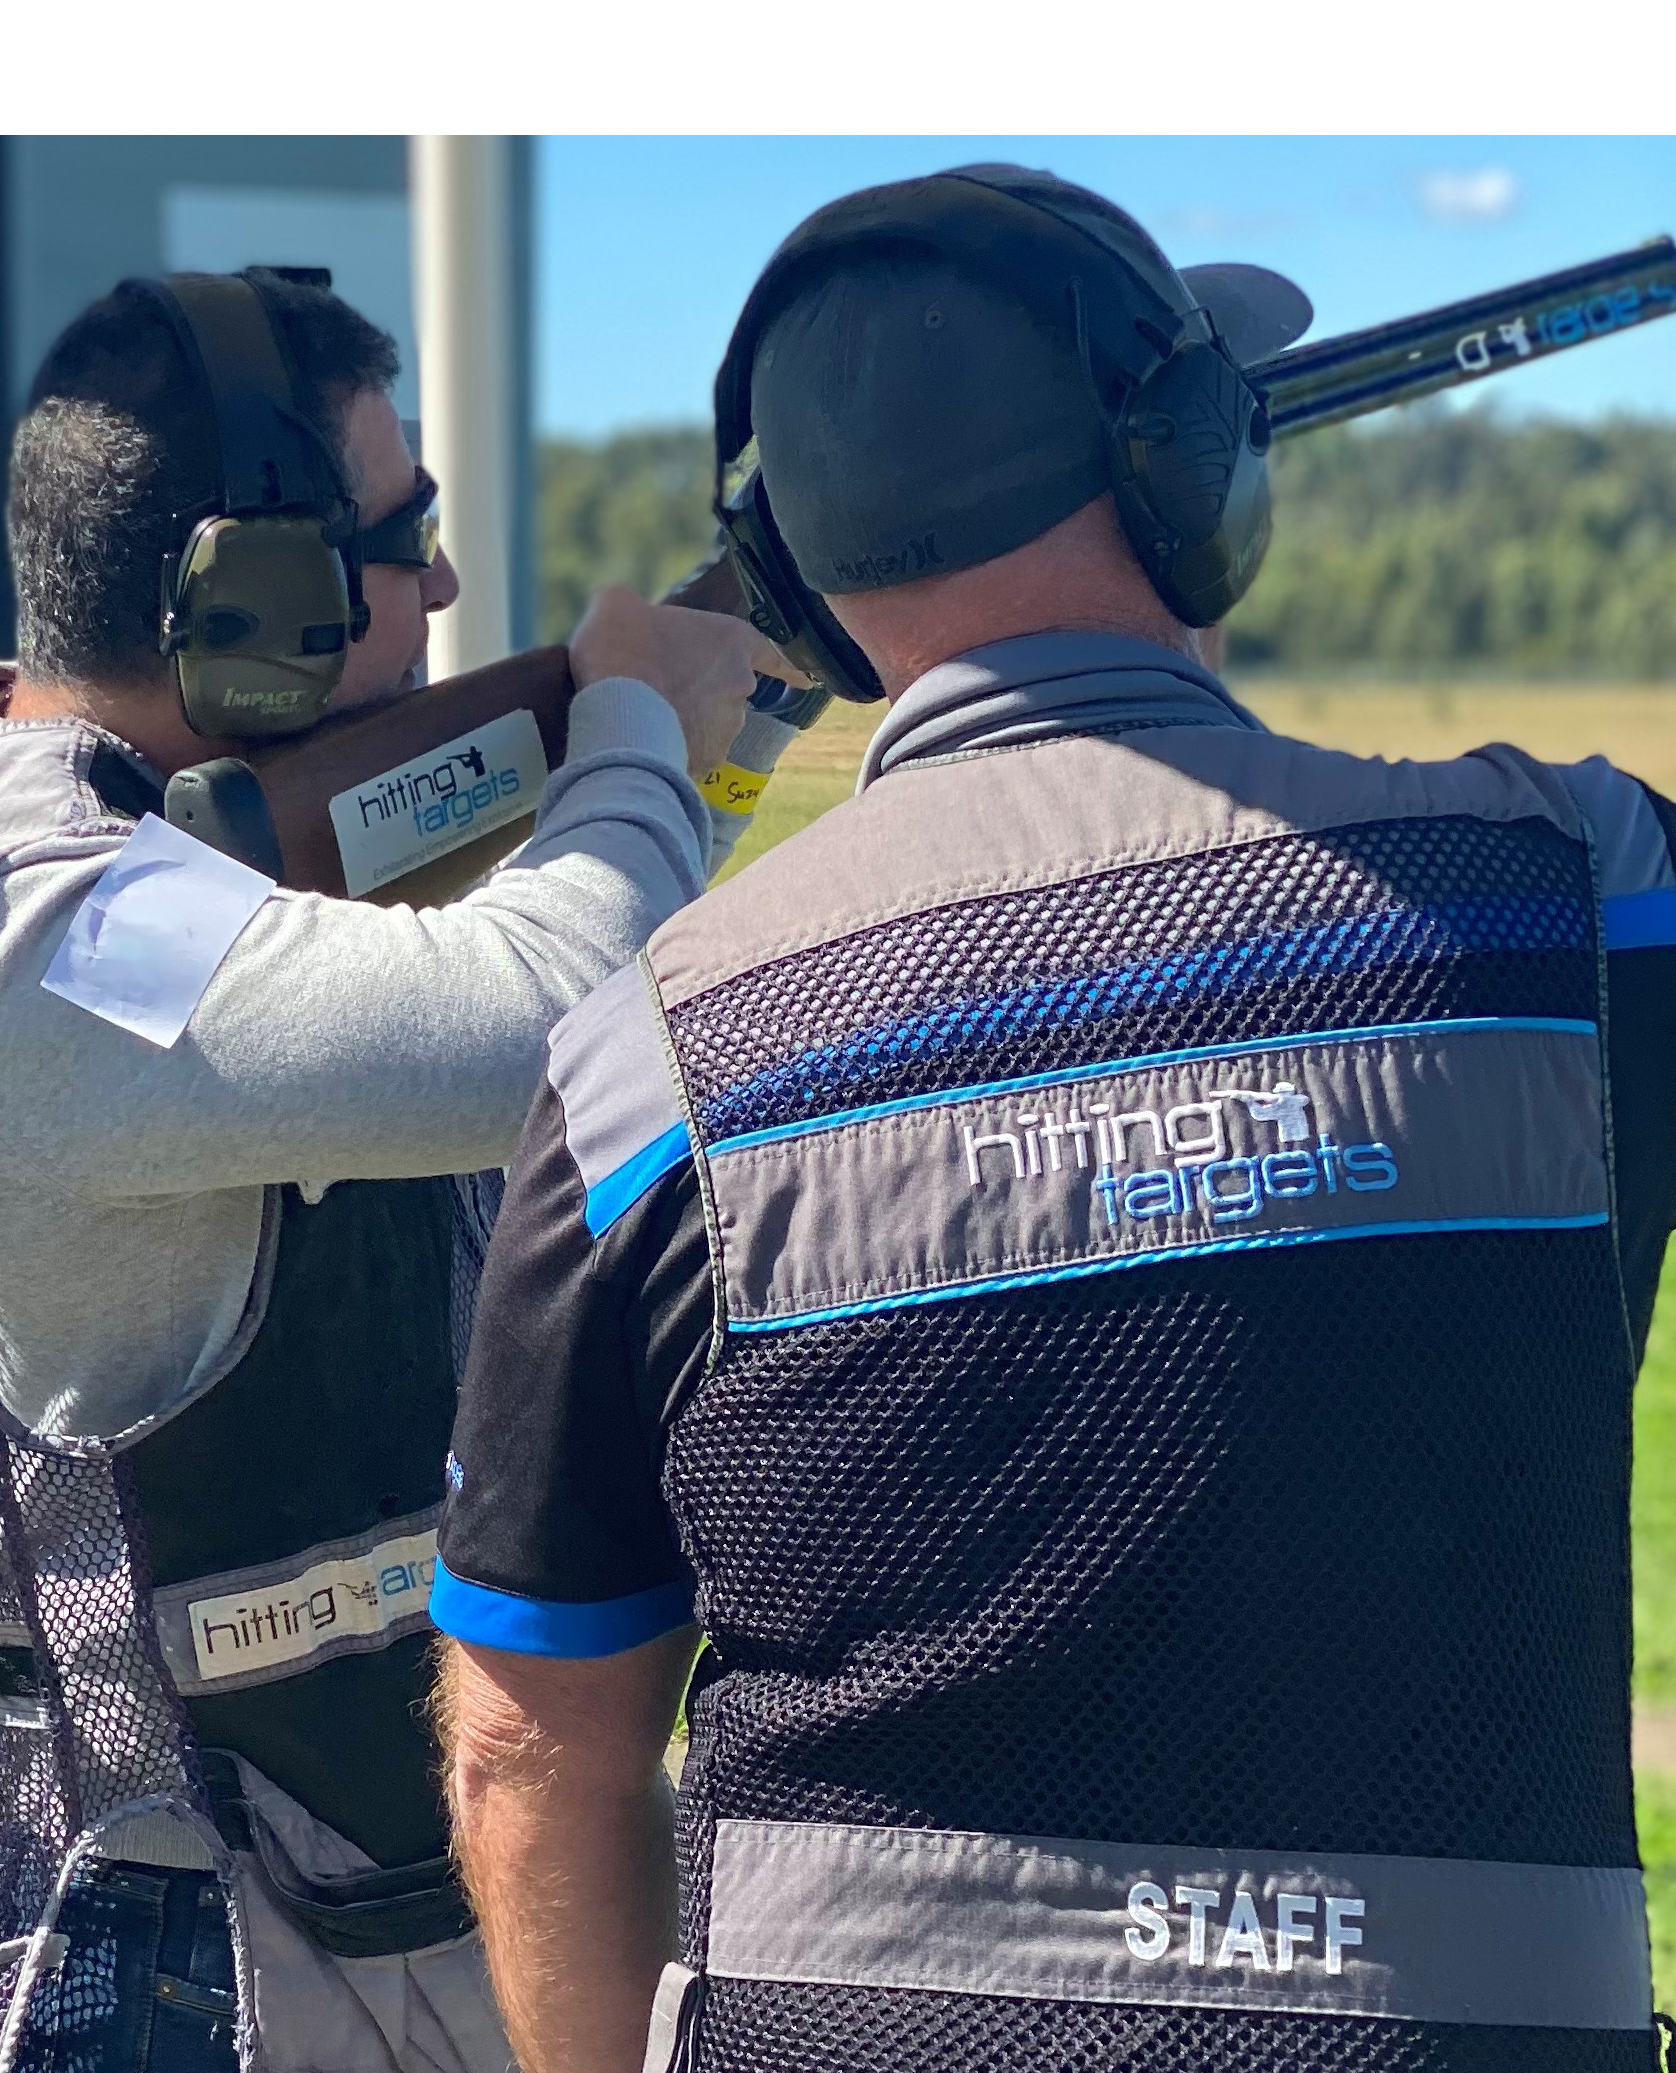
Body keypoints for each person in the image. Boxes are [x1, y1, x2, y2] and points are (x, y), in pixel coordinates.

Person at [430, 165, 1676, 2073]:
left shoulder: (640, 1070)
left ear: (790, 578)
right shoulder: (1586, 902)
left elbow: (531, 1740)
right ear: (1188, 466)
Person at [0, 268, 788, 2073]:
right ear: (250, 593)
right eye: (402, 533)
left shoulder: (127, 834)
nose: (441, 585)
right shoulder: (41, 926)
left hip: (334, 1884)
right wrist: (635, 728)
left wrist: (728, 708)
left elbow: (456, 946)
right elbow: (539, 1022)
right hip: (184, 1940)